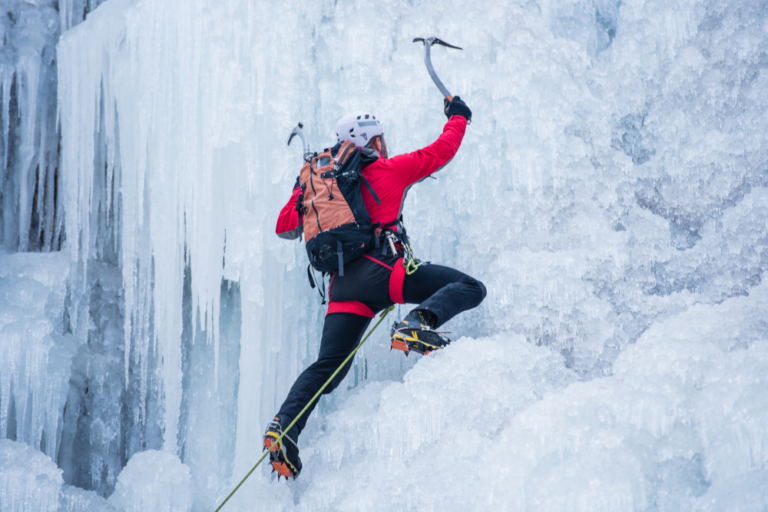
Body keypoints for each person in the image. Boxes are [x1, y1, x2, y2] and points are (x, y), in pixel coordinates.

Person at [263, 97, 486, 479]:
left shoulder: (316, 186)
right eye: (380, 139)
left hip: (344, 288)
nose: (384, 145)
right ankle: (417, 322)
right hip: (386, 271)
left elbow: (285, 226)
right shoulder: (389, 170)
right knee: (470, 286)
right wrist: (459, 117)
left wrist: (303, 191)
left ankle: (283, 428)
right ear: (371, 142)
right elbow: (442, 150)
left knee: (328, 369)